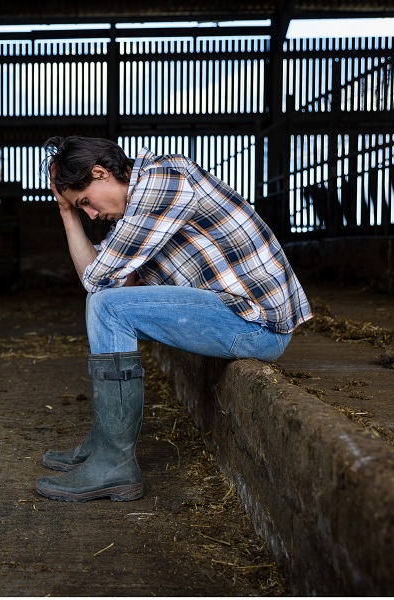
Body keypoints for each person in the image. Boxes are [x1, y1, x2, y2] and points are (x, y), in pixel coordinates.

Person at [36, 136, 312, 503]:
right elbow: (100, 278)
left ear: (100, 172)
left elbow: (96, 279)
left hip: (255, 323)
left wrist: (81, 233)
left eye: (85, 202)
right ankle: (105, 445)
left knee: (109, 307)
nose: (91, 215)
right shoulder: (138, 208)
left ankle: (114, 463)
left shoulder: (163, 181)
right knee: (105, 303)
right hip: (232, 314)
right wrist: (66, 212)